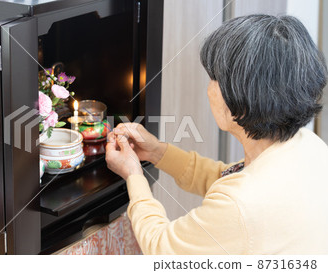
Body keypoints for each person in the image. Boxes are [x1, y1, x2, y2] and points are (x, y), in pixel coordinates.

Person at [105, 14, 328, 254]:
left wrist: (133, 175)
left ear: (240, 99)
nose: (209, 88)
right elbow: (227, 178)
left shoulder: (242, 205)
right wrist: (158, 152)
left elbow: (162, 248)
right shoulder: (309, 146)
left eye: (214, 78)